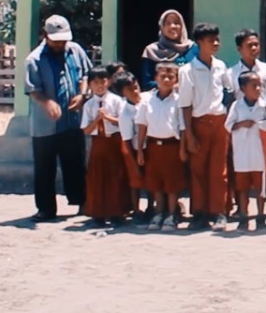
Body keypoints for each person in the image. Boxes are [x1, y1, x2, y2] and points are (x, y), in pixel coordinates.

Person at [25, 15, 93, 222]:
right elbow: (32, 89)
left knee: (76, 163)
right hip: (45, 125)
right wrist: (48, 103)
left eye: (64, 40)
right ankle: (46, 209)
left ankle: (82, 203)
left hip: (73, 120)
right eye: (57, 41)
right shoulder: (34, 59)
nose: (61, 44)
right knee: (45, 167)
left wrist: (82, 95)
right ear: (46, 36)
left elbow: (87, 75)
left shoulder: (76, 51)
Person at [178, 23, 233, 231]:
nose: (216, 44)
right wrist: (189, 134)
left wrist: (226, 115)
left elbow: (229, 91)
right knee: (198, 170)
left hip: (219, 122)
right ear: (199, 43)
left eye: (217, 39)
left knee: (219, 170)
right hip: (199, 123)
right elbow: (185, 104)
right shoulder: (188, 70)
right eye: (211, 40)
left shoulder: (220, 66)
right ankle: (199, 213)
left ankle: (218, 212)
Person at [134, 61, 187, 232]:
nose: (166, 79)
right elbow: (142, 125)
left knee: (172, 183)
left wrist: (183, 148)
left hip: (172, 145)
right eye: (162, 76)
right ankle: (159, 212)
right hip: (153, 146)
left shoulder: (179, 101)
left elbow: (183, 127)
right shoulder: (146, 100)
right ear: (155, 78)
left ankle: (172, 215)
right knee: (156, 182)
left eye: (170, 77)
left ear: (176, 79)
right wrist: (140, 149)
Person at [80, 66, 128, 226]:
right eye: (95, 82)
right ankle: (97, 213)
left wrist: (107, 117)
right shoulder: (89, 105)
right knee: (96, 177)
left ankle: (116, 212)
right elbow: (86, 130)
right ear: (90, 85)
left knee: (115, 176)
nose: (100, 85)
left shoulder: (116, 100)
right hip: (98, 142)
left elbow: (123, 123)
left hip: (114, 140)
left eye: (103, 81)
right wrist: (97, 120)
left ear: (109, 81)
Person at [224, 70, 266, 230]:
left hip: (259, 154)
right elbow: (228, 126)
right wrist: (242, 124)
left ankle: (260, 216)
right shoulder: (237, 106)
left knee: (260, 189)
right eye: (254, 86)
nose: (258, 89)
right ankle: (243, 217)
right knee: (242, 188)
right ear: (243, 88)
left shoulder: (264, 106)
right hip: (242, 154)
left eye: (260, 85)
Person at [112, 71, 145, 218]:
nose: (135, 91)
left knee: (151, 180)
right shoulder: (125, 113)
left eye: (136, 86)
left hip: (149, 146)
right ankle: (136, 210)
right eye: (130, 90)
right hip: (133, 149)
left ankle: (151, 208)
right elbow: (126, 140)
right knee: (135, 180)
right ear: (123, 93)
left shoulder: (147, 101)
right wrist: (134, 161)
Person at [140, 9, 198, 92]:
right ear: (161, 27)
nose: (172, 26)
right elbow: (147, 83)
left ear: (182, 26)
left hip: (191, 100)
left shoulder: (193, 49)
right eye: (167, 23)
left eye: (176, 23)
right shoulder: (152, 50)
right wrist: (170, 86)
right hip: (160, 100)